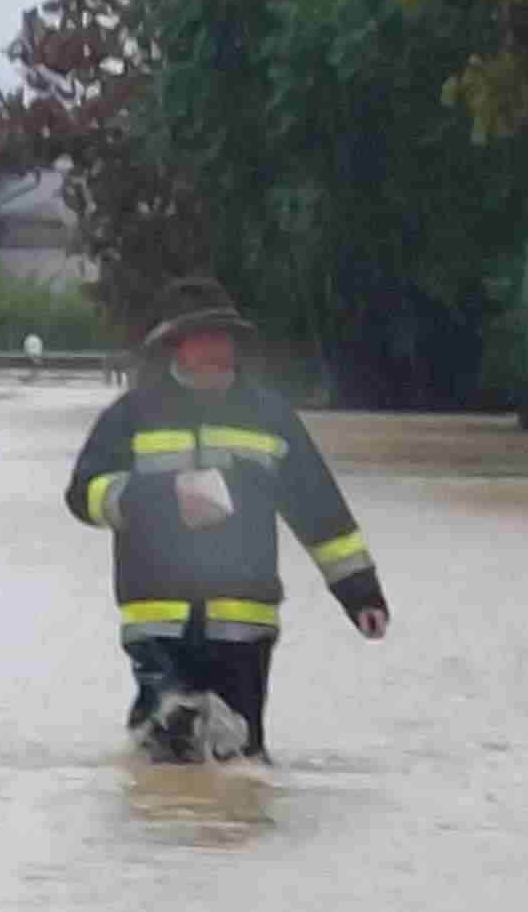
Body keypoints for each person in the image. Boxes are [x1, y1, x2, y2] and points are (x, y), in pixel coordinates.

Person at [65, 278, 389, 763]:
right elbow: (82, 495)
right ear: (176, 345)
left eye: (224, 338)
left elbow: (320, 510)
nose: (217, 349)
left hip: (244, 625)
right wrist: (159, 498)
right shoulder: (131, 416)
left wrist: (361, 594)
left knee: (241, 764)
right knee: (162, 753)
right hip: (158, 623)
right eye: (204, 338)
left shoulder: (270, 417)